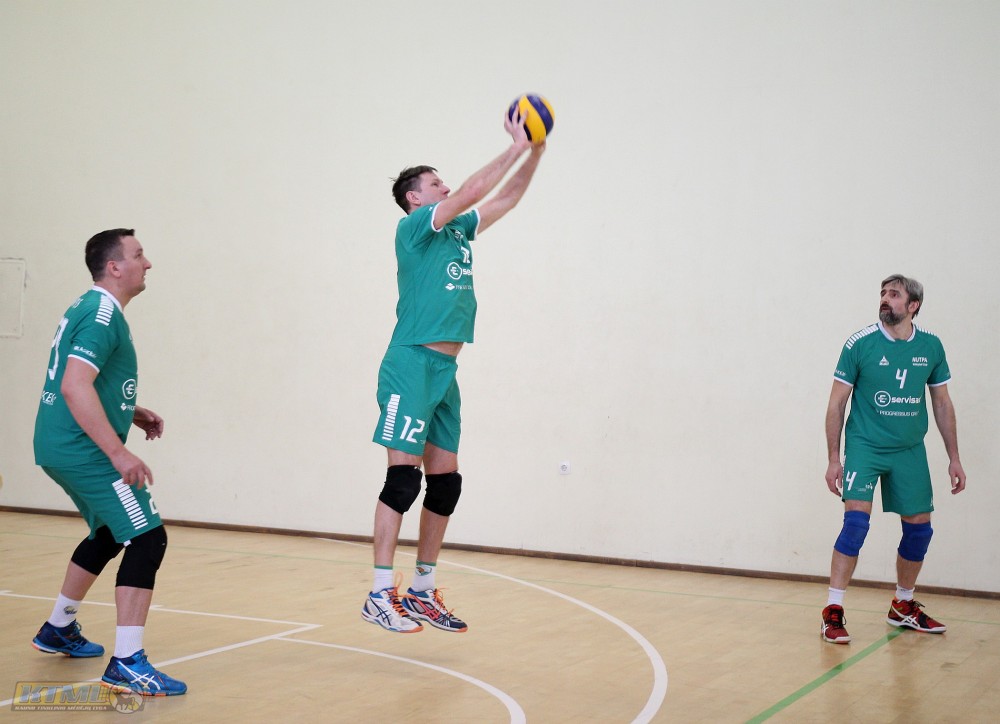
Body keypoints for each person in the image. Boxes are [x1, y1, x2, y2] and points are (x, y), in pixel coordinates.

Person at [362, 111, 545, 634]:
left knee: (446, 485)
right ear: (414, 198)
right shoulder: (414, 228)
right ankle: (379, 593)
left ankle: (422, 590)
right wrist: (514, 146)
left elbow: (506, 199)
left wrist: (535, 151)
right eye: (435, 184)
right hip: (410, 364)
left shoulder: (459, 230)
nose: (444, 188)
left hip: (445, 370)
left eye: (443, 182)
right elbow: (469, 192)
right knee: (403, 481)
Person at [31, 229, 186, 695]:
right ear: (114, 267)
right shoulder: (102, 315)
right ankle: (127, 663)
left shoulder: (92, 307)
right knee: (148, 537)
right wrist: (118, 452)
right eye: (138, 255)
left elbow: (83, 380)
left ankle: (58, 627)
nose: (147, 263)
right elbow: (74, 384)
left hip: (60, 444)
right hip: (85, 450)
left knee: (109, 533)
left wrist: (128, 410)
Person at [821, 274, 966, 644]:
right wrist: (834, 458)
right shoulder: (860, 344)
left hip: (909, 450)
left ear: (913, 305)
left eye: (895, 294)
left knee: (920, 530)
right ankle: (833, 610)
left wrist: (954, 457)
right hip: (865, 447)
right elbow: (836, 404)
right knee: (856, 525)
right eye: (883, 293)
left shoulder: (931, 346)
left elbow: (942, 403)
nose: (885, 299)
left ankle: (903, 605)